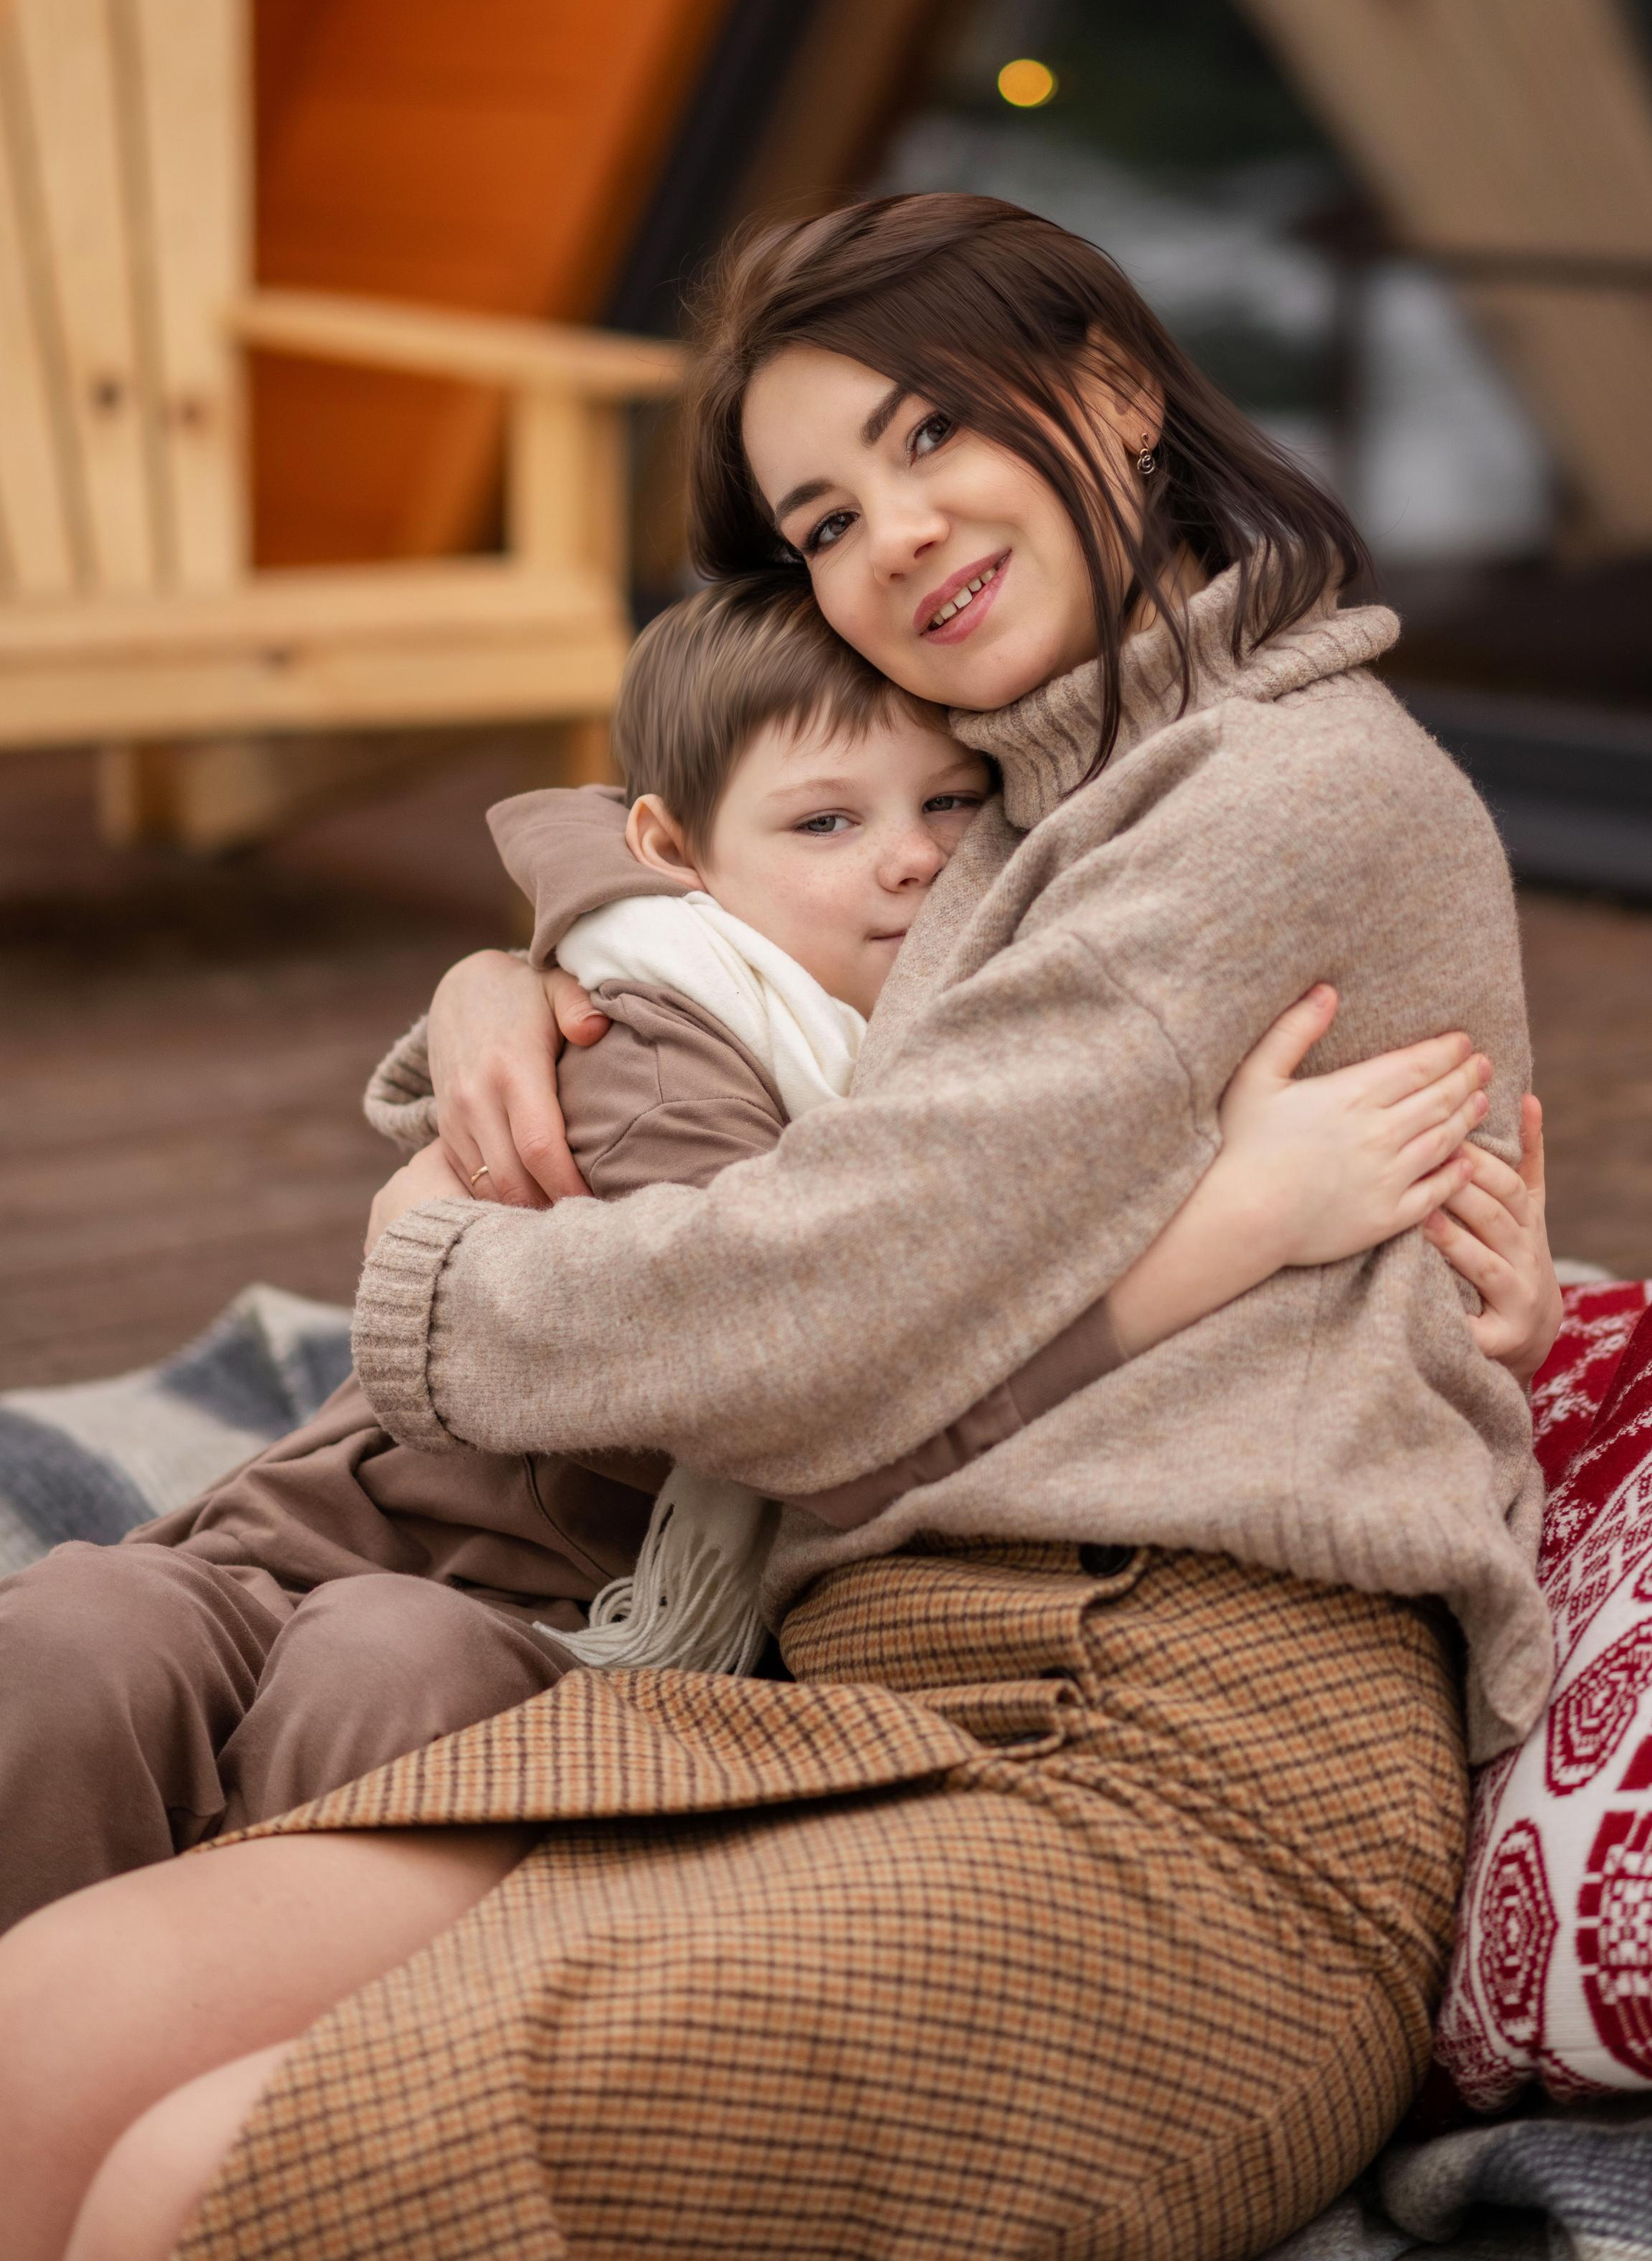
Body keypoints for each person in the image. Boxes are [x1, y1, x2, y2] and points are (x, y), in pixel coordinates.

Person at [2, 194, 1562, 2261]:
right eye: (822, 520)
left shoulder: (1282, 797)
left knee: (203, 2185)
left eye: (932, 439)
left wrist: (436, 1270)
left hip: (1179, 1786)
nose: (892, 537)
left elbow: (818, 1297)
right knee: (41, 2043)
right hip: (818, 1700)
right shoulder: (1005, 811)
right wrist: (518, 967)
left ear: (1108, 389)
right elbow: (721, 887)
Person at [0, 574, 1513, 1938]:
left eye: (954, 810)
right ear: (678, 856)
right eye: (828, 823)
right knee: (86, 1640)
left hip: (441, 1606)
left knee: (326, 1659)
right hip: (428, 1566)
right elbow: (826, 1393)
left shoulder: (930, 1034)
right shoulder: (666, 1051)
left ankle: (161, 2021)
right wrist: (1232, 1227)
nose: (913, 865)